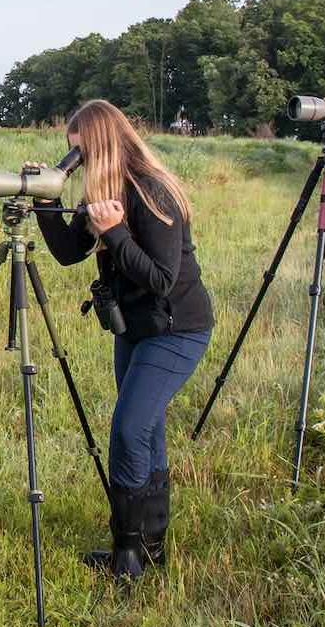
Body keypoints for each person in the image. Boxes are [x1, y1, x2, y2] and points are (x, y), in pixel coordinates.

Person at [27, 100, 214, 579]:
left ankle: (126, 552)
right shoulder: (102, 191)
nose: (78, 164)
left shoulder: (152, 193)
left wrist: (113, 233)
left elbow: (161, 279)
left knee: (129, 429)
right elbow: (69, 253)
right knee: (146, 431)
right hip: (135, 328)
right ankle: (147, 546)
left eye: (80, 154)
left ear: (102, 147)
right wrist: (48, 202)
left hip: (177, 327)